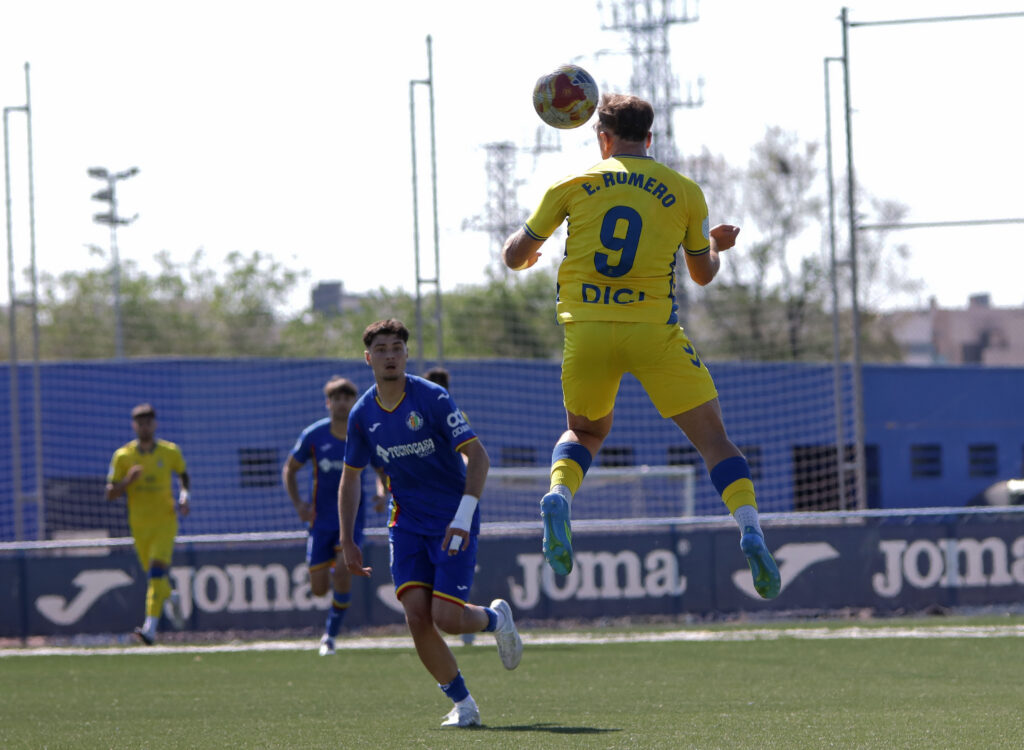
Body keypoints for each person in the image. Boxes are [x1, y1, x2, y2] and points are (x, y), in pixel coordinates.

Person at [501, 93, 781, 599]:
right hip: (653, 333)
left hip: (586, 330)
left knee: (584, 431)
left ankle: (559, 494)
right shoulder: (685, 191)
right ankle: (750, 530)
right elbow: (702, 274)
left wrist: (532, 253)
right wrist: (716, 245)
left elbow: (513, 254)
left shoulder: (573, 183)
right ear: (650, 137)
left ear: (602, 138)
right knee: (714, 441)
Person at [339, 319, 522, 728]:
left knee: (448, 619)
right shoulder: (361, 413)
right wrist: (348, 539)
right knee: (417, 617)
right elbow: (350, 477)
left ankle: (496, 620)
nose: (390, 356)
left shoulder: (433, 398)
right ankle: (465, 705)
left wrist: (462, 516)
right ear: (368, 358)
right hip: (404, 524)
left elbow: (479, 457)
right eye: (382, 349)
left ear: (406, 355)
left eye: (397, 348)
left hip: (452, 519)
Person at [283, 376, 370, 656]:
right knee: (319, 589)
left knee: (344, 572)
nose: (342, 403)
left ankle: (330, 635)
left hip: (352, 520)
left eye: (347, 398)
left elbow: (382, 469)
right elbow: (290, 469)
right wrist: (298, 503)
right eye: (337, 399)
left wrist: (383, 493)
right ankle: (332, 570)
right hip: (320, 522)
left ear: (353, 402)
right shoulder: (314, 435)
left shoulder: (364, 434)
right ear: (328, 403)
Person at [105, 403, 190, 644]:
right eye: (140, 423)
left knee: (155, 574)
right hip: (140, 526)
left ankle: (149, 630)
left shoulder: (170, 451)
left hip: (165, 522)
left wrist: (185, 497)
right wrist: (127, 482)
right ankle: (170, 596)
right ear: (134, 426)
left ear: (155, 424)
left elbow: (183, 475)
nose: (144, 427)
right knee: (156, 578)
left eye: (148, 423)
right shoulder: (123, 456)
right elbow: (109, 492)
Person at [422, 366, 476, 647]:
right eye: (435, 385)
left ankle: (464, 622)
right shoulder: (416, 416)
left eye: (444, 386)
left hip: (454, 501)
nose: (441, 391)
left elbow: (470, 453)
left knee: (457, 560)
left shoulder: (457, 416)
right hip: (423, 504)